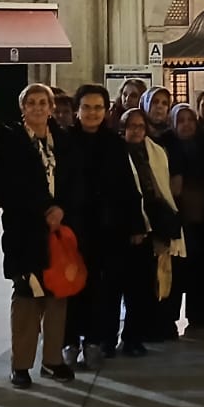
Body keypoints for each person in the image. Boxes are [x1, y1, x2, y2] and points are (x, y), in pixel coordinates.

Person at [0, 84, 73, 388]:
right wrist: (44, 209)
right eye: (32, 102)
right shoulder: (10, 139)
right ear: (23, 107)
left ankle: (52, 360)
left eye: (43, 102)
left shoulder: (62, 140)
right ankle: (21, 364)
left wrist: (61, 209)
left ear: (51, 108)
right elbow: (8, 183)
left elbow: (73, 179)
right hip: (25, 229)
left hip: (58, 229)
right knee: (27, 295)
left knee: (57, 294)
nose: (38, 107)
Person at [63, 84, 136, 367]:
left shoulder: (114, 143)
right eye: (87, 107)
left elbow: (126, 186)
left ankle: (95, 341)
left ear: (106, 111)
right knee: (71, 286)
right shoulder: (65, 141)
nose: (92, 113)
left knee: (101, 289)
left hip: (107, 228)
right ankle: (69, 341)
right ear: (77, 110)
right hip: (73, 226)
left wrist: (133, 223)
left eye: (98, 108)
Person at [121, 107, 182, 352]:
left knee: (149, 282)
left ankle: (142, 332)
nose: (136, 131)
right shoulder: (117, 153)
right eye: (131, 126)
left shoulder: (154, 152)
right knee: (130, 285)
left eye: (140, 126)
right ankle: (126, 337)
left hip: (153, 223)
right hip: (128, 225)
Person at [168, 104, 204, 331]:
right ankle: (170, 317)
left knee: (202, 268)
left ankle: (199, 313)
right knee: (178, 271)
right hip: (179, 217)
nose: (186, 125)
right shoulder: (168, 148)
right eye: (181, 120)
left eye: (190, 120)